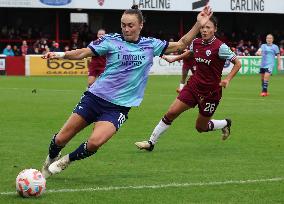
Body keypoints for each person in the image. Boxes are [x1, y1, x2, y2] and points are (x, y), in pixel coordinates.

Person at [40, 4, 213, 178]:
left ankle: (66, 161)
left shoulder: (150, 45)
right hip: (94, 98)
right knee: (61, 139)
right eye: (123, 25)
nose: (126, 29)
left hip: (118, 108)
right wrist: (61, 55)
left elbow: (182, 44)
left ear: (140, 26)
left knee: (94, 143)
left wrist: (198, 24)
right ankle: (51, 158)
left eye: (130, 25)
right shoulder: (111, 40)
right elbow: (83, 52)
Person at [135, 16, 241, 151]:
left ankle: (225, 123)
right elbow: (191, 53)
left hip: (211, 93)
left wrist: (227, 79)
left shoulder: (220, 47)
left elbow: (238, 63)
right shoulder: (196, 42)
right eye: (202, 27)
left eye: (208, 27)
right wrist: (175, 58)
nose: (204, 30)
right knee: (172, 112)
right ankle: (151, 142)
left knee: (200, 128)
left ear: (215, 29)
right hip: (194, 86)